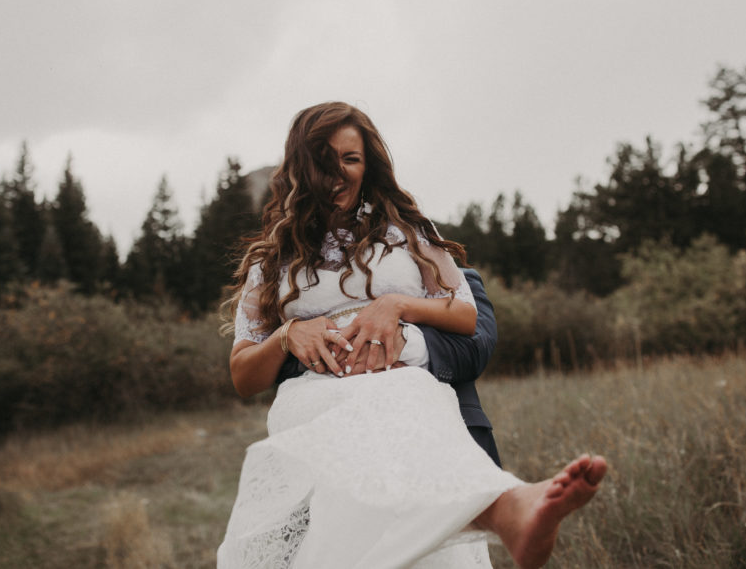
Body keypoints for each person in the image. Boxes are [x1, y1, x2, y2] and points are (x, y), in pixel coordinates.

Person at [217, 102, 606, 569]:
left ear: (368, 165)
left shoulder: (406, 232)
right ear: (301, 165)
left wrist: (396, 304)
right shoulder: (271, 262)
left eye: (351, 159)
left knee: (403, 394)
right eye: (324, 159)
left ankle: (508, 509)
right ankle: (504, 509)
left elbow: (465, 316)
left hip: (408, 385)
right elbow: (242, 375)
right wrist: (287, 334)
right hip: (315, 401)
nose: (338, 172)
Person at [276, 265, 504, 466]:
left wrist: (404, 342)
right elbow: (278, 367)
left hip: (445, 436)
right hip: (335, 443)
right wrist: (332, 351)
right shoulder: (303, 288)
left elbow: (476, 349)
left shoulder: (457, 280)